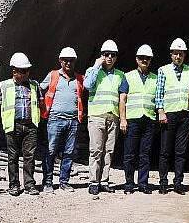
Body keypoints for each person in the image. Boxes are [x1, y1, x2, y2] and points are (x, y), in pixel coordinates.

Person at [83, 39, 128, 195]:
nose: (109, 57)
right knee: (96, 150)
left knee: (108, 151)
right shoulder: (93, 71)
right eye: (106, 54)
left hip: (112, 117)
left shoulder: (120, 75)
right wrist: (96, 66)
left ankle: (104, 181)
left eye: (112, 55)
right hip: (96, 116)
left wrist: (122, 118)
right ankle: (93, 181)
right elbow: (87, 85)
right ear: (101, 55)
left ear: (116, 57)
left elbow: (122, 97)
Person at [0, 52, 44, 196]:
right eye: (22, 71)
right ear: (14, 71)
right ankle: (14, 185)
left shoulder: (34, 85)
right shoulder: (5, 86)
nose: (25, 74)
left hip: (30, 126)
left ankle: (29, 185)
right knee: (13, 157)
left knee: (29, 157)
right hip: (13, 126)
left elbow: (40, 103)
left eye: (27, 71)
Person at [40, 47, 84, 193]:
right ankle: (47, 182)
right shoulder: (53, 75)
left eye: (71, 61)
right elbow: (39, 89)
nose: (68, 63)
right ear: (60, 61)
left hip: (73, 121)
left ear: (75, 61)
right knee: (51, 151)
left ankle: (64, 182)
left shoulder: (79, 79)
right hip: (55, 119)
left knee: (69, 152)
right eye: (65, 60)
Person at [156, 38, 189, 195]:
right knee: (165, 150)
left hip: (184, 114)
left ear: (184, 55)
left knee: (180, 151)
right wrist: (160, 111)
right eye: (175, 54)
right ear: (171, 54)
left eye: (181, 54)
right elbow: (159, 92)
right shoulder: (163, 70)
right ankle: (163, 182)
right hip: (169, 115)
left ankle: (178, 182)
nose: (178, 57)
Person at [121, 45, 158, 194]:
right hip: (133, 119)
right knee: (129, 153)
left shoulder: (155, 78)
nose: (144, 60)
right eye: (142, 58)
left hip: (149, 119)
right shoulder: (128, 76)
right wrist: (123, 119)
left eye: (147, 58)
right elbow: (122, 99)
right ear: (136, 59)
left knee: (145, 154)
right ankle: (129, 183)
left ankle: (143, 183)